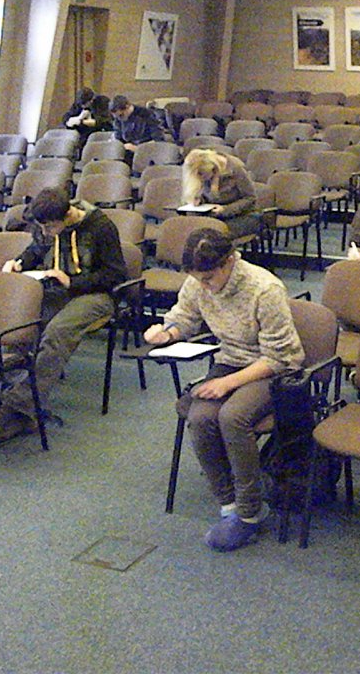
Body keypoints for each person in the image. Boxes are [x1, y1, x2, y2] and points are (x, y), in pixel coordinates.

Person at [143, 230, 303, 552]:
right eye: (197, 279)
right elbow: (185, 316)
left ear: (229, 261)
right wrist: (167, 332)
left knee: (232, 417)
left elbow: (280, 357)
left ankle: (249, 512)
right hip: (230, 361)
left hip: (271, 368)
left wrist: (226, 383)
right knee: (200, 417)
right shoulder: (199, 282)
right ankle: (229, 504)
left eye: (208, 279)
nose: (203, 286)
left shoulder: (264, 288)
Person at [0, 188, 127, 441]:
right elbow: (37, 248)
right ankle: (16, 391)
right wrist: (19, 262)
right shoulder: (49, 223)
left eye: (50, 227)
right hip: (59, 289)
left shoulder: (101, 227)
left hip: (96, 295)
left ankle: (20, 407)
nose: (46, 232)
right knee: (20, 319)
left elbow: (116, 275)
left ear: (68, 215)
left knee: (57, 332)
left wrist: (73, 281)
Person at [182, 148, 259, 241]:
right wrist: (200, 200)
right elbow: (209, 196)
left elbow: (250, 198)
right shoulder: (203, 174)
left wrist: (226, 209)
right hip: (215, 215)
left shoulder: (236, 169)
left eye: (202, 175)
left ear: (212, 168)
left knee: (214, 234)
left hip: (242, 216)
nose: (201, 179)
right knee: (193, 230)